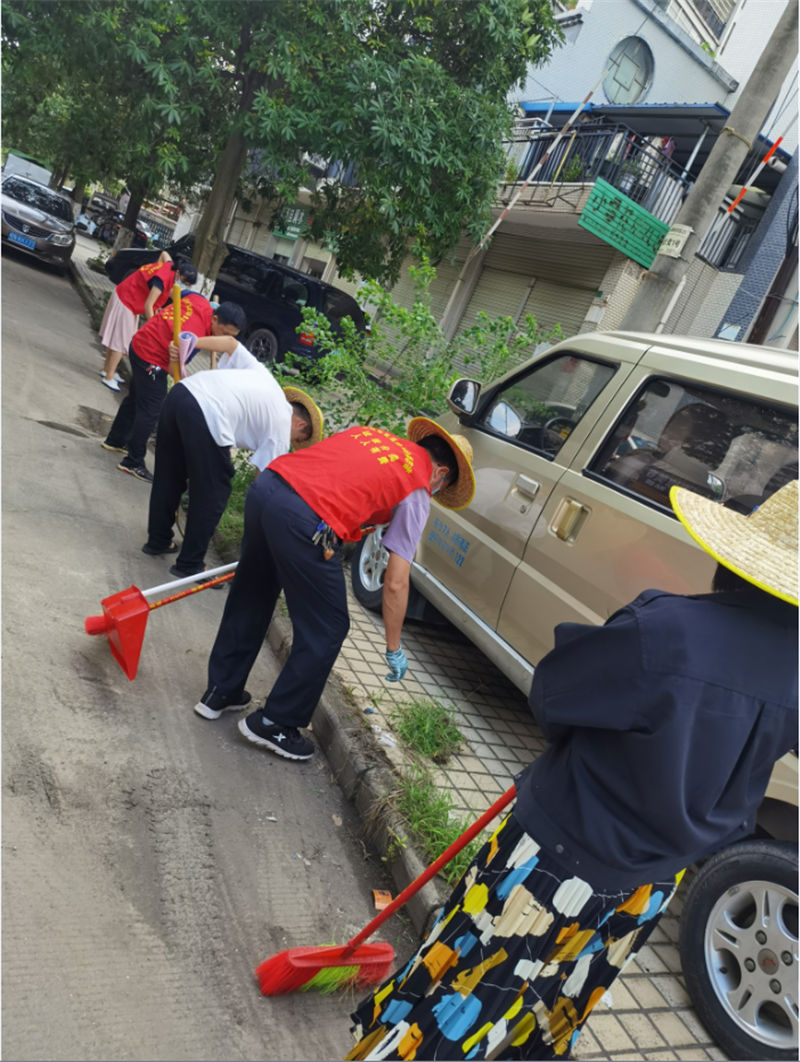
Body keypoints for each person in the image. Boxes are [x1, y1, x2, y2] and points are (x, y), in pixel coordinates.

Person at [345, 480, 798, 1061]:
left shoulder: (668, 631)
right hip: (650, 887)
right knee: (550, 1009)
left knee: (463, 991)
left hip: (556, 859)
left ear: (734, 559)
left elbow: (555, 695)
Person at [192, 420, 476, 759]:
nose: (435, 493)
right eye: (441, 488)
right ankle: (275, 722)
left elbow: (337, 478)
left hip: (268, 487)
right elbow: (396, 582)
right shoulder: (417, 489)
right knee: (329, 627)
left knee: (253, 594)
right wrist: (393, 646)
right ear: (441, 473)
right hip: (304, 519)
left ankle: (220, 692)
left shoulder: (372, 436)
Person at [143, 333, 324, 578]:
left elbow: (230, 343)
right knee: (214, 492)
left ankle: (158, 540)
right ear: (301, 425)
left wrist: (190, 343)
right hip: (207, 413)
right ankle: (190, 564)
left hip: (181, 394)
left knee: (170, 475)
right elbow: (263, 484)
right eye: (298, 440)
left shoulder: (264, 377)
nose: (292, 444)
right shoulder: (282, 426)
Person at [100, 298, 246, 483]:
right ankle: (133, 461)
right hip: (150, 357)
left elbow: (184, 294)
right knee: (152, 410)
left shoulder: (201, 302)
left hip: (140, 342)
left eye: (230, 336)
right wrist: (193, 386)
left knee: (137, 398)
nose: (223, 339)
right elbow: (173, 369)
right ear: (215, 319)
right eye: (224, 333)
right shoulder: (192, 336)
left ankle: (115, 440)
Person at [97, 252, 180, 391]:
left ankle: (107, 370)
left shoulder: (168, 266)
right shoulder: (162, 281)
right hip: (127, 300)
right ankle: (109, 377)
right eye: (184, 280)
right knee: (121, 342)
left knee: (116, 338)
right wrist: (155, 328)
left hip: (127, 297)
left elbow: (164, 253)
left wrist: (155, 268)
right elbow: (149, 305)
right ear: (178, 273)